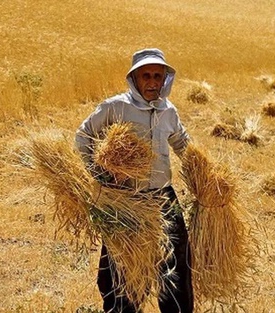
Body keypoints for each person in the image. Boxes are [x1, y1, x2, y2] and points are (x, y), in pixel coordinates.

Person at [75, 48, 193, 313]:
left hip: (162, 198)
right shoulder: (115, 107)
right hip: (125, 200)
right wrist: (100, 176)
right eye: (146, 76)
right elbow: (83, 137)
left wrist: (203, 173)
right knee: (121, 267)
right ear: (135, 79)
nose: (152, 82)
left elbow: (183, 144)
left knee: (176, 264)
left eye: (158, 76)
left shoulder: (168, 111)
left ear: (165, 80)